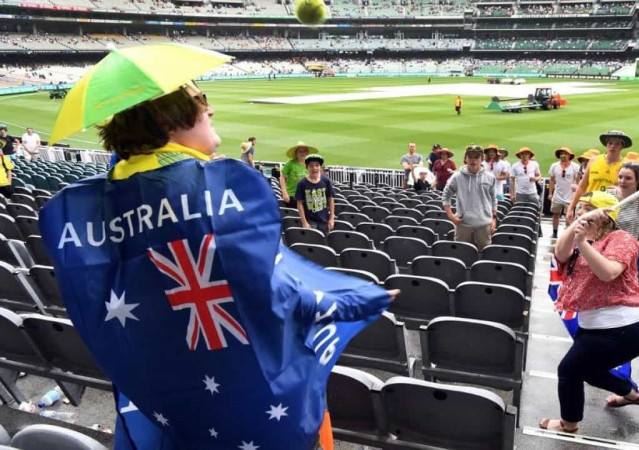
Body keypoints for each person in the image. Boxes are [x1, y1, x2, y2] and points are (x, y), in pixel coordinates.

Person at [41, 79, 398, 450]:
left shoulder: (79, 211)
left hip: (165, 411)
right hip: (254, 410)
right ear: (167, 120)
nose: (210, 110)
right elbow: (278, 293)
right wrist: (358, 298)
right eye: (200, 102)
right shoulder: (224, 188)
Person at [540, 191, 639, 434]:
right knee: (589, 371)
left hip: (624, 328)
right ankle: (632, 394)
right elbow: (560, 254)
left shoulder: (622, 239)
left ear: (603, 217)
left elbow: (608, 272)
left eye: (586, 210)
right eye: (580, 209)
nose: (580, 214)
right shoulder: (586, 237)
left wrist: (582, 243)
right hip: (597, 325)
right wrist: (576, 230)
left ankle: (568, 424)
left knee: (569, 370)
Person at [567, 130, 631, 224]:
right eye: (610, 143)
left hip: (609, 212)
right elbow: (582, 186)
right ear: (606, 144)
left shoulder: (626, 165)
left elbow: (631, 191)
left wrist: (618, 189)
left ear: (622, 146)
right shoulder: (594, 160)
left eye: (617, 144)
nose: (612, 146)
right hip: (588, 207)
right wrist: (571, 207)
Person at [442, 144, 497, 251]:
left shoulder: (490, 177)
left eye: (476, 157)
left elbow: (494, 198)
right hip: (463, 223)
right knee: (460, 252)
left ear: (481, 159)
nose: (473, 160)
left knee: (485, 252)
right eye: (470, 157)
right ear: (465, 159)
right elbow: (446, 195)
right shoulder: (456, 177)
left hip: (484, 223)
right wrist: (451, 216)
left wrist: (494, 218)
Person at [296, 154, 335, 234]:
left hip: (324, 220)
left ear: (321, 167)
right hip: (310, 221)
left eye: (317, 165)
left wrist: (331, 218)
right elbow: (299, 203)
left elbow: (330, 199)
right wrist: (304, 222)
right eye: (311, 166)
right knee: (313, 242)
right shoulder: (302, 183)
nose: (314, 168)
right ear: (307, 167)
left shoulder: (326, 181)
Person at [548, 147, 580, 239]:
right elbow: (551, 180)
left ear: (569, 155)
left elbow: (578, 181)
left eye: (565, 153)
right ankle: (554, 232)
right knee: (555, 214)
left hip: (570, 196)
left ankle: (567, 235)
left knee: (568, 217)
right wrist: (550, 193)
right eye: (562, 153)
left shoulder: (575, 167)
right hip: (557, 194)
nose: (563, 155)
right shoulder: (554, 165)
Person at [281, 142, 317, 208]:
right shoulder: (290, 163)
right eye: (300, 151)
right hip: (292, 195)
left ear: (307, 153)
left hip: (307, 196)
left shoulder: (311, 164)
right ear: (296, 153)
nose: (302, 153)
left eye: (304, 151)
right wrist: (284, 193)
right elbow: (282, 177)